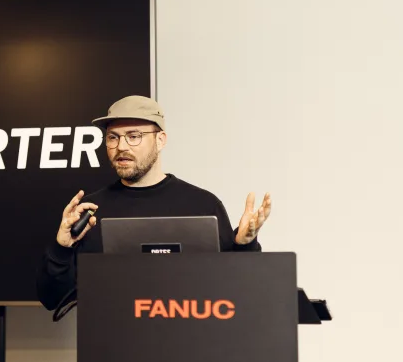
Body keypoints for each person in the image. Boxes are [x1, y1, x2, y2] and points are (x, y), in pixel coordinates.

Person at [36, 94, 272, 317]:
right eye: (113, 137)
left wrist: (244, 245)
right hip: (110, 343)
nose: (121, 147)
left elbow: (240, 292)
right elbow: (52, 299)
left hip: (190, 342)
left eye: (134, 136)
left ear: (160, 140)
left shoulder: (203, 205)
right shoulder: (90, 211)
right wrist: (61, 248)